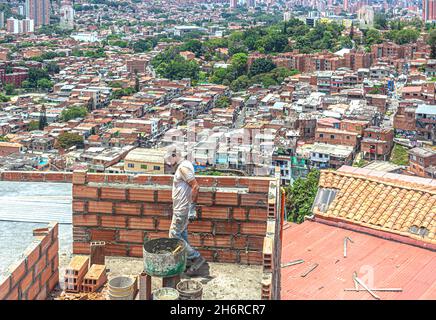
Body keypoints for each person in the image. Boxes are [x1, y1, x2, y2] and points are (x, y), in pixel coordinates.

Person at [164, 147, 206, 275]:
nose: (169, 163)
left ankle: (196, 257)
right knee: (182, 235)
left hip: (182, 209)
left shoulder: (183, 168)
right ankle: (187, 261)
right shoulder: (185, 165)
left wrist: (192, 208)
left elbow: (195, 186)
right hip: (182, 208)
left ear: (174, 155)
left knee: (174, 235)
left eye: (169, 159)